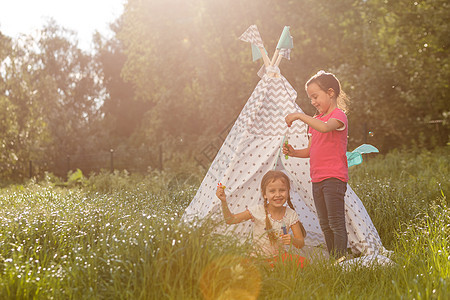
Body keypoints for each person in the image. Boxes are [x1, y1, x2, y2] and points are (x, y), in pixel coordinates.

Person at [283, 70, 349, 260]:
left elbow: (326, 127)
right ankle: (334, 260)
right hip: (317, 179)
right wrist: (294, 152)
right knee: (325, 223)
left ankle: (341, 261)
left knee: (336, 222)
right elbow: (311, 151)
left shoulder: (339, 116)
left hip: (334, 178)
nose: (313, 101)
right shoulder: (315, 121)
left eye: (315, 96)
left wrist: (298, 115)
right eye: (310, 98)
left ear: (330, 92)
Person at [215, 170, 306, 267]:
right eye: (272, 191)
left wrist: (292, 240)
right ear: (264, 194)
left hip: (279, 258)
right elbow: (230, 220)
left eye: (282, 190)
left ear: (288, 191)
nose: (278, 194)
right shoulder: (257, 210)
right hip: (258, 259)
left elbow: (300, 243)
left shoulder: (291, 214)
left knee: (303, 263)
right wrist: (223, 202)